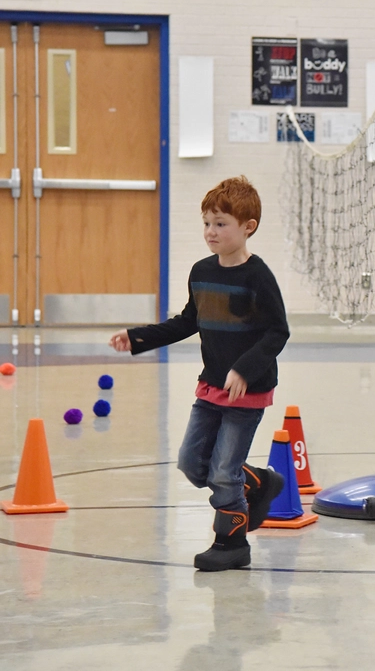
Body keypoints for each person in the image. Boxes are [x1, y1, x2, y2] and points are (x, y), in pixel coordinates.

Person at [109, 176, 290, 571]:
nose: (211, 231)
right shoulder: (201, 271)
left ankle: (231, 543)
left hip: (248, 391)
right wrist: (137, 337)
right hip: (210, 387)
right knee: (193, 464)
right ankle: (258, 481)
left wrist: (244, 369)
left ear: (248, 227)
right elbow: (187, 321)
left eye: (221, 223)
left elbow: (279, 331)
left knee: (224, 473)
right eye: (207, 222)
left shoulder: (258, 277)